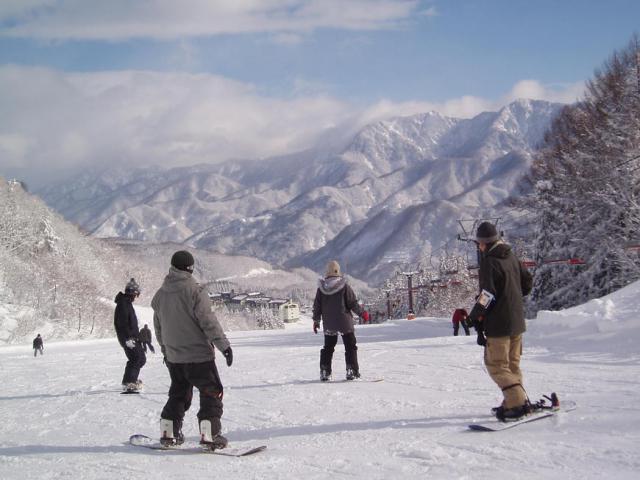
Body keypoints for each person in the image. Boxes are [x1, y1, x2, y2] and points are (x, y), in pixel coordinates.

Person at [152, 250, 233, 450]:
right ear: (190, 268)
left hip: (174, 357)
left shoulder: (160, 295)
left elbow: (158, 327)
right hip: (198, 356)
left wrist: (166, 351)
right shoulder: (195, 291)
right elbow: (208, 321)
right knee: (211, 392)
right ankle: (209, 434)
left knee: (179, 393)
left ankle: (168, 431)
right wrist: (224, 346)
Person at [468, 222, 533, 422]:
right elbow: (527, 282)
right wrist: (511, 298)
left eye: (478, 243)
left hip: (499, 324)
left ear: (484, 243)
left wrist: (475, 314)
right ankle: (516, 401)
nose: (478, 247)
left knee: (496, 365)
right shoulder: (511, 256)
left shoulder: (490, 261)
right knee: (512, 365)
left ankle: (516, 402)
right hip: (516, 321)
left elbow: (487, 294)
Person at [312, 260, 369, 381]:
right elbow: (352, 303)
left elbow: (317, 307)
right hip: (345, 322)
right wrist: (362, 313)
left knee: (328, 347)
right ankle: (351, 370)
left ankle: (325, 371)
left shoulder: (321, 289)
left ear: (327, 272)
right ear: (338, 272)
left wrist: (316, 321)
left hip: (329, 324)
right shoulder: (344, 287)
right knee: (350, 346)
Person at [114, 278, 146, 393]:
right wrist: (128, 338)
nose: (137, 297)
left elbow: (130, 323)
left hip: (132, 337)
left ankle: (130, 380)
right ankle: (129, 383)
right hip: (128, 338)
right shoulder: (123, 304)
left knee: (141, 359)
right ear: (133, 292)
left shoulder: (126, 303)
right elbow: (122, 324)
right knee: (136, 358)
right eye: (137, 294)